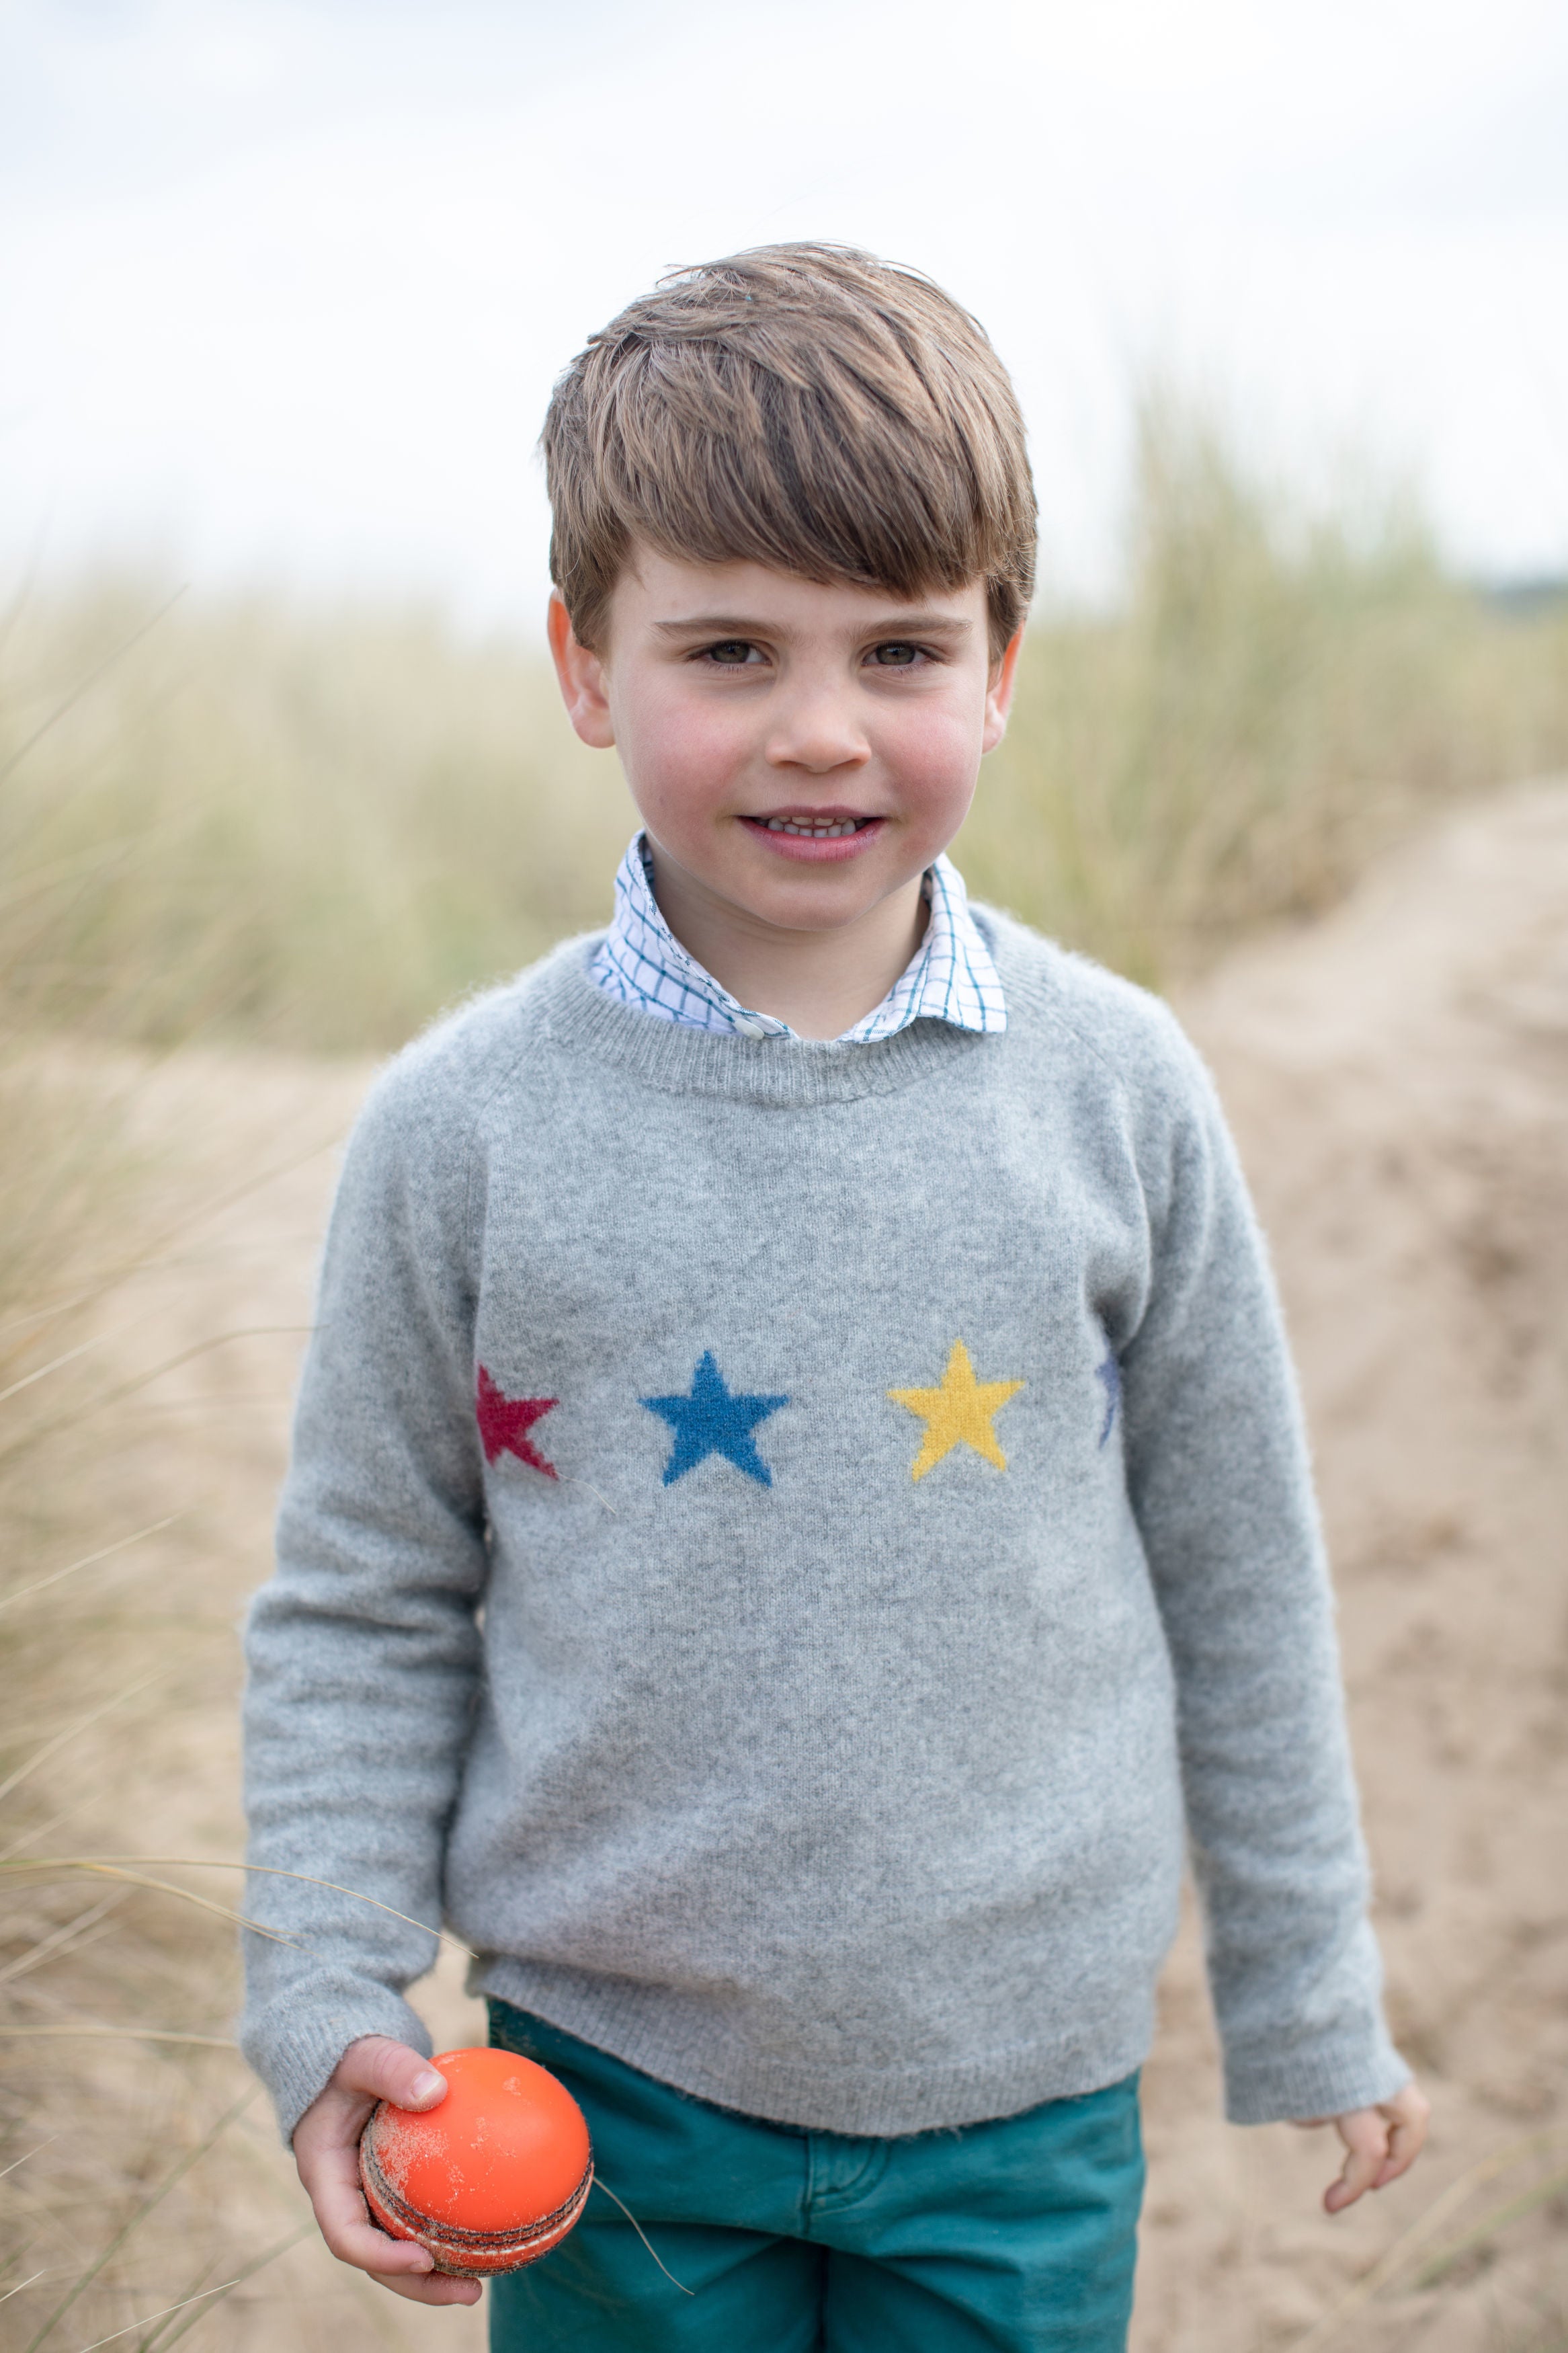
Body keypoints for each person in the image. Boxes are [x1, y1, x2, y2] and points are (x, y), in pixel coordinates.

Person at [241, 243, 1428, 2352]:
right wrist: (332, 1978)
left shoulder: (1118, 1088)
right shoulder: (464, 1128)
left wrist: (1307, 1983)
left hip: (1021, 2096)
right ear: (584, 661)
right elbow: (364, 1583)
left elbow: (1240, 1563)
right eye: (726, 647)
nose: (821, 730)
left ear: (1002, 667)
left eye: (900, 646)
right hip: (602, 2094)